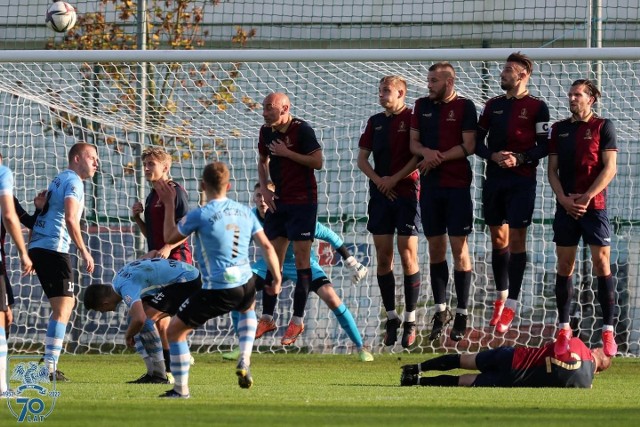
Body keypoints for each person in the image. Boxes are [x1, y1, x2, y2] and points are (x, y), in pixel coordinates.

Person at [154, 162, 281, 398]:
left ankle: (180, 390)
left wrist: (170, 204)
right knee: (247, 309)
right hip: (247, 283)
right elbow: (266, 246)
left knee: (174, 332)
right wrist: (277, 277)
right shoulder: (244, 211)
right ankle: (245, 358)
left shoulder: (201, 214)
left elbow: (169, 237)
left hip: (220, 287)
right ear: (229, 186)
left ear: (202, 185)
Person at [229, 182, 372, 361]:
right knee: (238, 292)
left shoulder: (293, 216)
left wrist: (351, 261)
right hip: (270, 264)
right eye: (259, 195)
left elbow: (330, 236)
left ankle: (361, 347)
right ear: (254, 198)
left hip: (303, 263)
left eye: (267, 196)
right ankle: (242, 346)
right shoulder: (250, 217)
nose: (263, 200)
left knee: (332, 298)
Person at [475, 52, 550, 334]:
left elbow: (544, 146)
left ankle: (512, 305)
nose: (502, 73)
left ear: (523, 75)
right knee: (498, 238)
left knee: (518, 239)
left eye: (508, 70)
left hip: (521, 183)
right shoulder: (492, 105)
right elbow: (476, 142)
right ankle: (501, 296)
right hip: (494, 180)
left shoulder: (537, 107)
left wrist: (519, 159)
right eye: (503, 69)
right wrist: (493, 155)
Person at [547, 79, 618, 357]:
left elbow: (610, 168)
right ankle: (564, 329)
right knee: (565, 265)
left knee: (602, 263)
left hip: (594, 206)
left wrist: (587, 197)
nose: (572, 98)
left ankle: (608, 330)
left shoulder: (604, 127)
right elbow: (552, 170)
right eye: (571, 94)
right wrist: (564, 199)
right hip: (566, 207)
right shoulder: (559, 129)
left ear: (591, 99)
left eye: (578, 94)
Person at [409, 62, 477, 342]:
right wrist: (427, 152)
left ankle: (462, 312)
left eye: (434, 80)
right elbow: (414, 145)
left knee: (459, 249)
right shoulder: (421, 105)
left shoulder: (465, 107)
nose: (429, 85)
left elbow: (469, 146)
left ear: (449, 82)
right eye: (429, 80)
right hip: (431, 188)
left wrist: (438, 157)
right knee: (435, 248)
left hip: (457, 187)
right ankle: (441, 309)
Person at [357, 75, 422, 348]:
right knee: (383, 257)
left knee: (408, 254)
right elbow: (362, 159)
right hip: (380, 195)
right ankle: (392, 318)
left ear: (401, 93)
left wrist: (394, 179)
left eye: (386, 90)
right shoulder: (375, 122)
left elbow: (418, 156)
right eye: (380, 90)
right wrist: (380, 181)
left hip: (406, 193)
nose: (382, 94)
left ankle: (411, 319)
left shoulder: (414, 118)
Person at [28, 142, 98, 382]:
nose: (96, 163)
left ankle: (47, 362)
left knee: (66, 305)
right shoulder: (74, 182)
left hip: (41, 246)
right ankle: (48, 368)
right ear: (77, 159)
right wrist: (84, 251)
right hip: (53, 248)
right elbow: (70, 218)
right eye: (92, 157)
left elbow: (46, 212)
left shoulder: (60, 178)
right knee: (64, 308)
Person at [257, 92, 323, 345]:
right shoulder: (265, 132)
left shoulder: (302, 130)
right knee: (273, 261)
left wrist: (287, 153)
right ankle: (267, 317)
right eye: (263, 108)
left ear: (285, 108)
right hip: (279, 201)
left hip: (303, 203)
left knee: (302, 262)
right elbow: (262, 161)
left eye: (269, 108)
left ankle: (296, 321)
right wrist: (264, 188)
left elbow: (318, 162)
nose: (264, 113)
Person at [83, 255, 202, 384]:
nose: (101, 312)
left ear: (104, 304)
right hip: (183, 275)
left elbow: (140, 319)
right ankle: (152, 372)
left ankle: (160, 375)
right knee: (134, 319)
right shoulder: (118, 279)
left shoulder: (125, 287)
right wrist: (132, 330)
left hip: (187, 280)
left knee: (145, 320)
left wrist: (129, 334)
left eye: (99, 310)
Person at [131, 147, 193, 381]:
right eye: (145, 163)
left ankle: (163, 370)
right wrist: (138, 219)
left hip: (178, 264)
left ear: (165, 167)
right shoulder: (152, 195)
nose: (147, 168)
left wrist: (169, 247)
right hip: (159, 264)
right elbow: (152, 237)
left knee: (149, 317)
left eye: (151, 164)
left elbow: (188, 226)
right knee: (160, 323)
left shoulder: (175, 191)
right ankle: (165, 370)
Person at [400, 336, 611, 388]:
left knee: (465, 360)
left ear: (595, 350)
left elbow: (552, 344)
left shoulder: (577, 343)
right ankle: (416, 382)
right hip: (513, 379)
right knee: (465, 380)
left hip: (513, 357)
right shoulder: (585, 385)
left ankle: (417, 367)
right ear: (598, 371)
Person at [0, 163, 34, 398]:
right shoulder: (3, 173)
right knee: (2, 318)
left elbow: (23, 217)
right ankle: (2, 388)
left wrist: (40, 210)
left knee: (6, 314)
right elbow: (10, 216)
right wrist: (23, 252)